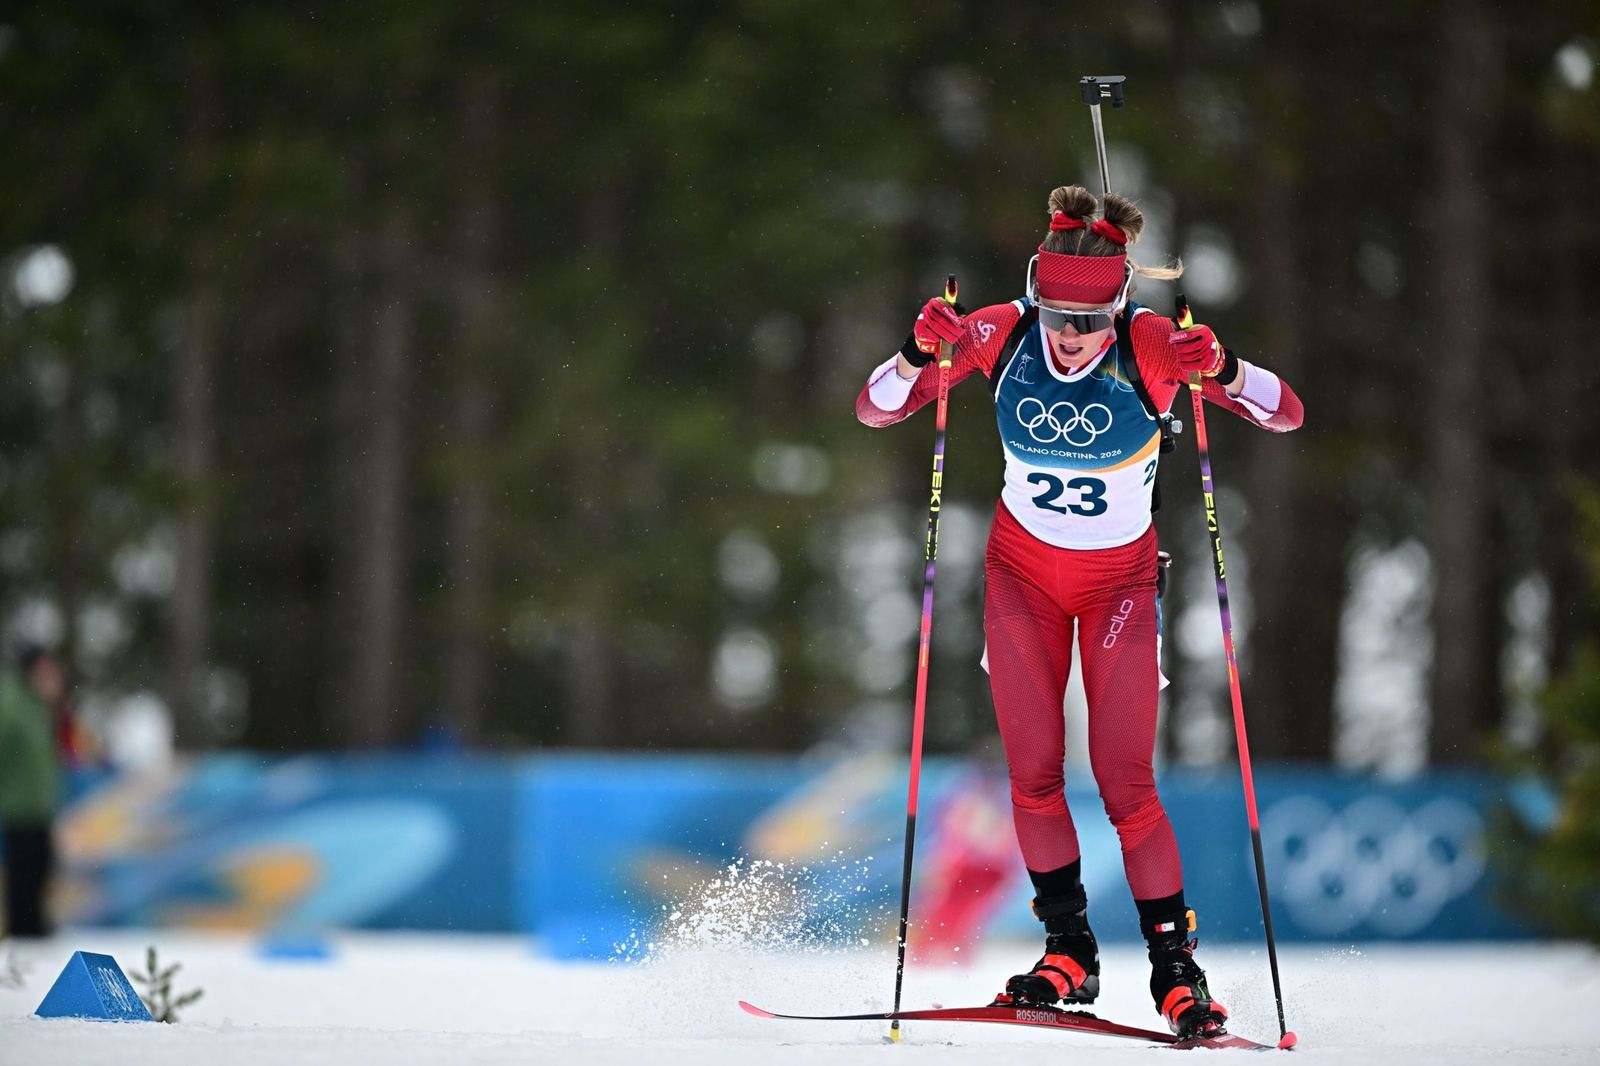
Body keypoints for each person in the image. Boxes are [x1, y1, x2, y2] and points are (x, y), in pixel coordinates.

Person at [854, 185, 1303, 1037]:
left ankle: (1175, 969)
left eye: (1089, 323)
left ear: (1120, 308)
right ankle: (1070, 950)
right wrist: (916, 355)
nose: (1070, 338)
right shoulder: (1000, 332)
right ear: (1035, 295)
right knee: (1032, 776)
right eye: (1058, 316)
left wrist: (1226, 368)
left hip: (1117, 589)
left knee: (1127, 782)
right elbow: (876, 408)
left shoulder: (1154, 347)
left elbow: (1286, 414)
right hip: (1019, 581)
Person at [0, 645, 66, 938]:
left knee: (41, 869)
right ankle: (22, 930)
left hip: (40, 807)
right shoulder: (11, 706)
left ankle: (34, 925)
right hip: (18, 807)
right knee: (24, 874)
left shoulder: (37, 708)